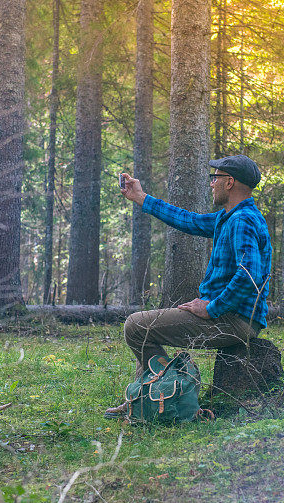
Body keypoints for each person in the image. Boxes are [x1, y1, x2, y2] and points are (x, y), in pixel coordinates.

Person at [105, 154, 272, 418]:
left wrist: (212, 308)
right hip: (230, 315)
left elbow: (248, 275)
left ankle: (178, 403)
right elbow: (189, 221)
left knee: (136, 326)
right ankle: (145, 398)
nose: (211, 184)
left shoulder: (243, 221)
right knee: (141, 329)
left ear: (229, 183)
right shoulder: (228, 218)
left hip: (235, 320)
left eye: (214, 178)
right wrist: (142, 198)